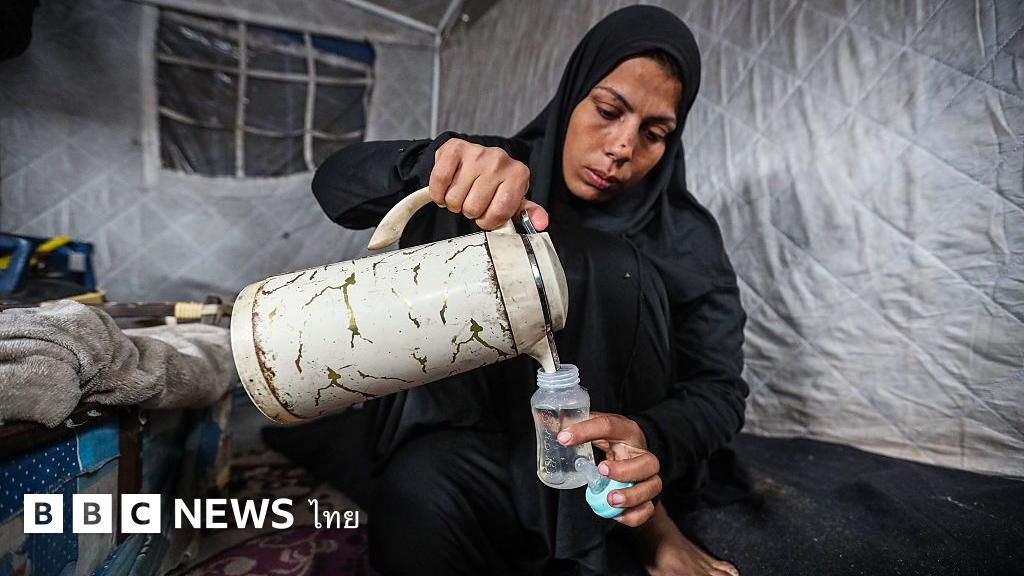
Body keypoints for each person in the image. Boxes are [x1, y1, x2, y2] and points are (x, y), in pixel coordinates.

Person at [311, 6, 747, 575]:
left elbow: (719, 390)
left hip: (606, 468)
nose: (622, 146)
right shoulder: (494, 175)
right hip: (485, 442)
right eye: (608, 110)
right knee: (416, 502)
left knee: (606, 265)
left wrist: (647, 435)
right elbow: (335, 186)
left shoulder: (685, 237)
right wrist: (432, 162)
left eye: (654, 133)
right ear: (573, 95)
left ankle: (644, 527)